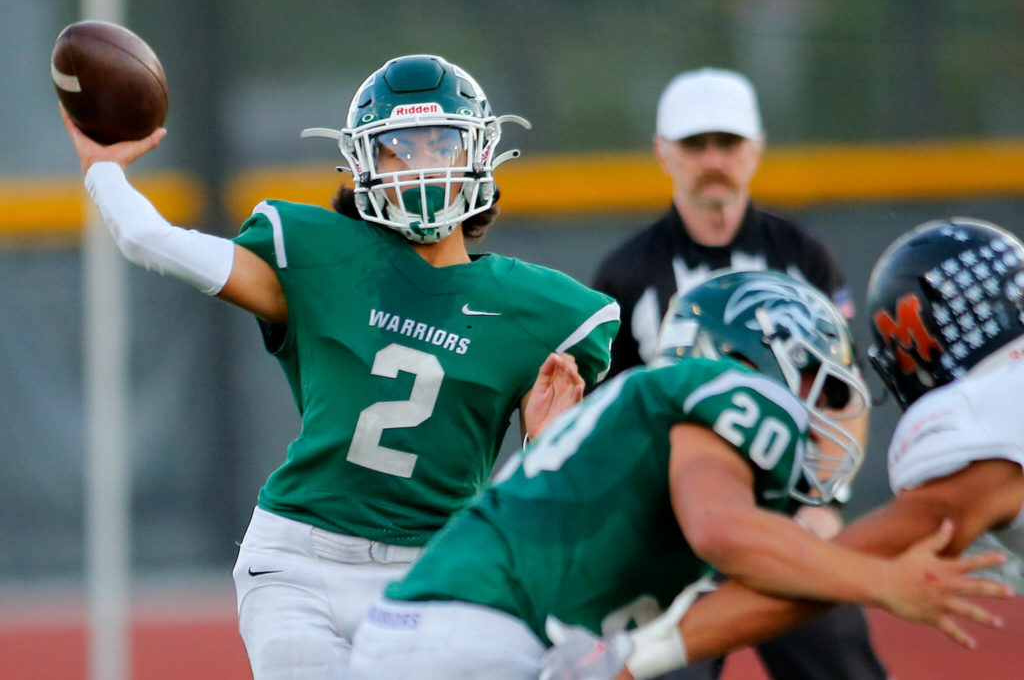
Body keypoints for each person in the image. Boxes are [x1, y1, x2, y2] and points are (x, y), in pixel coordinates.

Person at [60, 53, 620, 678]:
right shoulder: (317, 254)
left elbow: (568, 494)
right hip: (299, 562)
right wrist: (103, 171)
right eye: (397, 150)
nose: (421, 167)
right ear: (361, 164)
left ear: (480, 152)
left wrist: (547, 444)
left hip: (437, 567)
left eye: (440, 144)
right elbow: (151, 241)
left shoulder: (546, 313)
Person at [348, 270, 1006, 680]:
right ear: (770, 358)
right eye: (823, 388)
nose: (826, 414)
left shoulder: (648, 410)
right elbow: (722, 531)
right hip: (483, 638)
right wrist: (881, 580)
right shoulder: (726, 388)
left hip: (417, 633)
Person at [542, 217, 1024, 678]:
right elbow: (743, 545)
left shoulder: (984, 420)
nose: (819, 416)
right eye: (811, 386)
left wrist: (638, 656)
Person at [591, 66, 879, 679]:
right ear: (663, 153)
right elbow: (609, 415)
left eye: (728, 143)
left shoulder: (802, 257)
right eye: (696, 145)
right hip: (671, 530)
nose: (713, 160)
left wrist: (827, 502)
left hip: (786, 516)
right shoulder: (626, 274)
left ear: (756, 149)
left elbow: (840, 393)